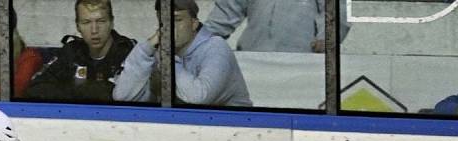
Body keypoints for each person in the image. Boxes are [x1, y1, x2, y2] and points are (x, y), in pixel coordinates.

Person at [112, 0, 251, 107]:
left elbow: (198, 98)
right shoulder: (159, 52)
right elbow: (122, 97)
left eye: (177, 20)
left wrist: (169, 60)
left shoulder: (215, 47)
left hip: (240, 130)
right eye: (164, 21)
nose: (169, 27)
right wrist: (146, 49)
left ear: (194, 23)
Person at [25, 0, 135, 102]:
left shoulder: (129, 52)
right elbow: (35, 88)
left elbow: (124, 97)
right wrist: (80, 90)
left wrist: (75, 87)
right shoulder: (72, 52)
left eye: (101, 21)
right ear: (78, 26)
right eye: (86, 22)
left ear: (111, 23)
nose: (94, 30)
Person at [204, 0, 350, 53]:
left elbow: (336, 10)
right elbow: (223, 16)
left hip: (304, 63)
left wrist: (327, 38)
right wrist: (199, 43)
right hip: (253, 59)